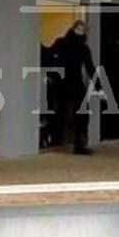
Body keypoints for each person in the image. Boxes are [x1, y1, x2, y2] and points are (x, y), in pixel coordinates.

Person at [50, 20, 97, 155]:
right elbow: (49, 57)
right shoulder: (62, 43)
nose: (80, 32)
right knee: (62, 112)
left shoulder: (82, 48)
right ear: (73, 29)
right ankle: (59, 140)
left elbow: (89, 67)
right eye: (78, 29)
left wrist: (98, 84)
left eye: (82, 30)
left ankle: (77, 143)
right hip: (63, 81)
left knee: (79, 113)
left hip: (71, 82)